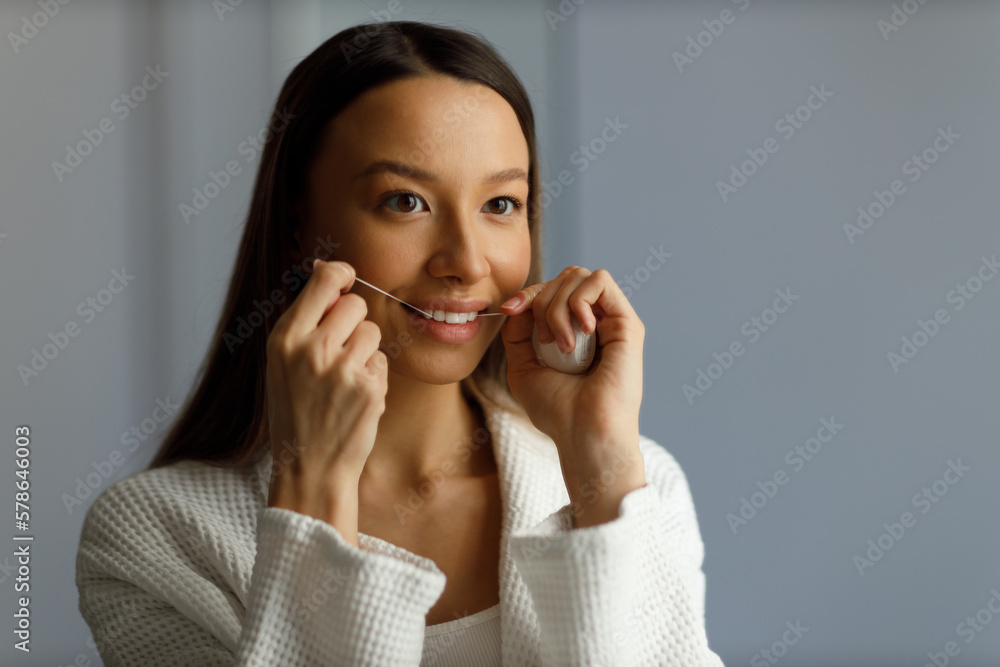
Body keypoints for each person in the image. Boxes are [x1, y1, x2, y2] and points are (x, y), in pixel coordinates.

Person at [75, 19, 723, 666]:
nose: (466, 262)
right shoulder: (153, 535)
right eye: (405, 201)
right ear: (300, 228)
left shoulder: (639, 485)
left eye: (500, 204)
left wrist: (601, 466)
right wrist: (312, 490)